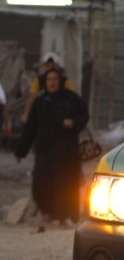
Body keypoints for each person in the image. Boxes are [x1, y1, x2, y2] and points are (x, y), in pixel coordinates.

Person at [14, 67, 89, 229]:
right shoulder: (40, 102)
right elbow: (30, 128)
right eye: (49, 80)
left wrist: (73, 123)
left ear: (60, 81)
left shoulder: (71, 99)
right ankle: (46, 213)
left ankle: (63, 216)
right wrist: (21, 151)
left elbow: (84, 115)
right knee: (42, 182)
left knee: (65, 184)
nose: (52, 83)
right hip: (45, 150)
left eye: (55, 79)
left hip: (65, 152)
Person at [23, 53, 75, 121]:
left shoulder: (64, 80)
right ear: (44, 67)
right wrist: (26, 116)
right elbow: (31, 100)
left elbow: (72, 97)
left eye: (53, 66)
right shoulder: (39, 80)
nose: (50, 68)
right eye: (48, 66)